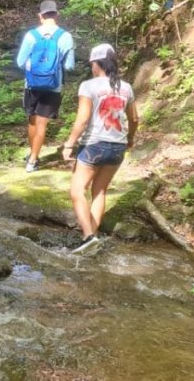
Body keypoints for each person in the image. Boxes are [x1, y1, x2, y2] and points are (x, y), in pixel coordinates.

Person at [61, 44, 138, 255]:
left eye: (92, 64)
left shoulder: (89, 86)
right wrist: (129, 138)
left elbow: (83, 118)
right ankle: (91, 242)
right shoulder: (127, 87)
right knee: (99, 191)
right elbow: (134, 118)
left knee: (77, 191)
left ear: (96, 64)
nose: (91, 68)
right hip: (118, 146)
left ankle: (88, 236)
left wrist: (69, 144)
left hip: (94, 144)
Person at [15, 0, 75, 173]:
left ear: (40, 16)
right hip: (53, 86)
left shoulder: (31, 35)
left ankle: (33, 155)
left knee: (32, 120)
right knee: (42, 123)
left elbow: (20, 62)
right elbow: (69, 66)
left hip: (32, 85)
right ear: (57, 15)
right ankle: (32, 161)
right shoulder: (65, 36)